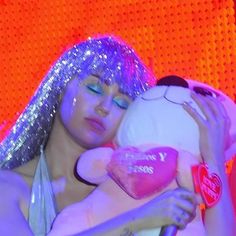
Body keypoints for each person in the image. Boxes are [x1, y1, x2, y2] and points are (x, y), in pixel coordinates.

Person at [0, 36, 234, 236]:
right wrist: (137, 219)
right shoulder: (7, 186)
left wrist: (212, 159)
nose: (105, 106)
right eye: (94, 88)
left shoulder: (131, 186)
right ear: (60, 86)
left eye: (123, 102)